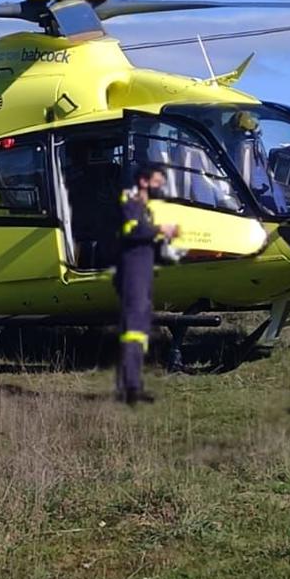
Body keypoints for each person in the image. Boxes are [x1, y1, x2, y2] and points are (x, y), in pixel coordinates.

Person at [115, 163, 178, 405]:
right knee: (133, 329)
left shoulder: (144, 206)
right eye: (157, 183)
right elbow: (131, 231)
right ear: (143, 181)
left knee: (140, 331)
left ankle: (134, 384)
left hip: (143, 271)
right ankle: (130, 388)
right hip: (132, 273)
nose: (160, 188)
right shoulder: (129, 201)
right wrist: (158, 230)